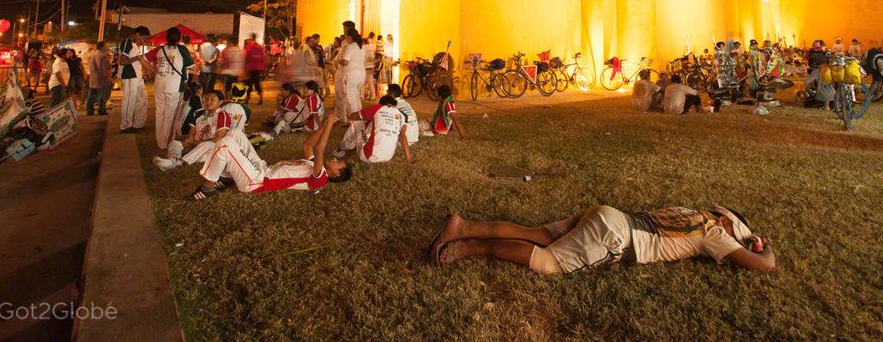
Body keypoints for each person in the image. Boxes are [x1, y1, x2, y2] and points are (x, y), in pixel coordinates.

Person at [426, 205, 775, 274]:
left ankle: (463, 225)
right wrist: (763, 246)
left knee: (535, 235)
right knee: (547, 261)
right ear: (730, 227)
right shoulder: (714, 234)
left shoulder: (693, 211)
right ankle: (471, 246)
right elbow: (764, 265)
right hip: (616, 236)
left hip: (610, 215)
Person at [188, 98, 351, 199]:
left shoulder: (320, 178)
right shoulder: (316, 165)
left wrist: (329, 124)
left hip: (256, 182)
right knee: (235, 133)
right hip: (261, 168)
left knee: (225, 145)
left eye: (339, 163)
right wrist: (323, 127)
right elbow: (308, 145)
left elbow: (319, 149)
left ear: (336, 174)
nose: (336, 159)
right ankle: (226, 175)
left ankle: (207, 188)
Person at [153, 89, 241, 171]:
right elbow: (192, 131)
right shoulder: (199, 113)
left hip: (211, 150)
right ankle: (172, 159)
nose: (208, 102)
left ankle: (178, 163)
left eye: (212, 100)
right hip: (195, 145)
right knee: (174, 143)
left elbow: (218, 139)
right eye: (206, 99)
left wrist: (194, 143)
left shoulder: (223, 116)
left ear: (220, 102)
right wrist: (189, 140)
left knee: (209, 144)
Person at [150, 26, 196, 151]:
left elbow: (143, 58)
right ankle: (165, 143)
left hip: (159, 84)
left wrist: (153, 70)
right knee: (170, 114)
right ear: (179, 37)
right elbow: (192, 66)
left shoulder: (159, 49)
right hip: (174, 86)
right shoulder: (181, 49)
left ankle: (160, 140)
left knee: (160, 113)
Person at [336, 95, 413, 164]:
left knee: (357, 122)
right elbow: (402, 136)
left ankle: (342, 149)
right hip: (388, 157)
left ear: (380, 104)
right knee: (374, 125)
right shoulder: (403, 115)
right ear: (395, 105)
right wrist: (409, 159)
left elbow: (353, 116)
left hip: (369, 155)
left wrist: (348, 118)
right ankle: (353, 149)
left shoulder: (376, 108)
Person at [118, 26, 152, 133]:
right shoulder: (127, 43)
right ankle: (125, 125)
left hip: (136, 77)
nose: (144, 40)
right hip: (129, 76)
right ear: (137, 35)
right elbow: (122, 61)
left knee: (142, 99)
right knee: (129, 101)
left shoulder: (134, 45)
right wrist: (138, 58)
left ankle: (137, 123)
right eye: (143, 38)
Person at [335, 29, 366, 120]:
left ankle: (355, 121)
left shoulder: (350, 46)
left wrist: (339, 60)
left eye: (347, 36)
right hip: (361, 74)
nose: (346, 38)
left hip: (352, 75)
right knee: (356, 97)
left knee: (351, 98)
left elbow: (345, 61)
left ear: (351, 37)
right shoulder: (362, 47)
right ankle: (360, 118)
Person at [386, 83, 419, 148]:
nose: (386, 94)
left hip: (402, 141)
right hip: (414, 138)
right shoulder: (407, 104)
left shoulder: (392, 106)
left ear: (391, 95)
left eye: (387, 92)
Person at [87, 41, 112, 116]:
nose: (107, 47)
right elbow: (105, 70)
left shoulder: (92, 55)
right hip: (101, 79)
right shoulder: (103, 56)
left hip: (93, 78)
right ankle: (101, 110)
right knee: (102, 96)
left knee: (91, 96)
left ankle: (89, 111)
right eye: (106, 46)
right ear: (102, 47)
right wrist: (109, 78)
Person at [242, 34, 267, 104]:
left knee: (248, 83)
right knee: (257, 83)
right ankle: (261, 98)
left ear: (251, 39)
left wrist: (244, 66)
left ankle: (247, 99)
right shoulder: (259, 47)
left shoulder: (248, 47)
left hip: (250, 68)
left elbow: (245, 57)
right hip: (258, 68)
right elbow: (262, 57)